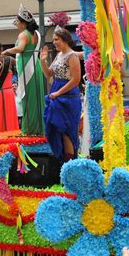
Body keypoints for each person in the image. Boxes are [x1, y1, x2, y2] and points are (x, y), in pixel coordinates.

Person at [2, 5, 45, 135]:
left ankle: (28, 129)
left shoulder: (23, 34)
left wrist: (7, 51)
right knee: (36, 98)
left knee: (27, 99)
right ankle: (38, 128)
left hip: (27, 70)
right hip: (35, 66)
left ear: (22, 22)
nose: (16, 24)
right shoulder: (36, 34)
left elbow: (20, 49)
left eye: (17, 21)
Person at [40, 27, 81, 161]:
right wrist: (42, 61)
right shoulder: (59, 55)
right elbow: (48, 73)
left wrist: (58, 92)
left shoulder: (72, 56)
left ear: (64, 40)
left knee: (66, 131)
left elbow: (76, 79)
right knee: (56, 129)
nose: (54, 42)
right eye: (53, 40)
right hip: (56, 94)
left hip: (68, 97)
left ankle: (69, 164)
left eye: (56, 39)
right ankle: (63, 162)